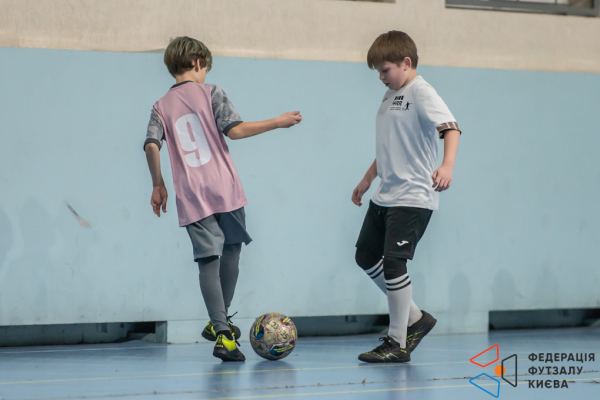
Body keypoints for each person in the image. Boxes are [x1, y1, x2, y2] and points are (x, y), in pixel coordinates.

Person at [143, 36, 302, 362]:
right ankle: (221, 324)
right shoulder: (211, 92)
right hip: (225, 189)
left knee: (208, 261)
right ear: (198, 63)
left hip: (192, 195)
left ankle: (221, 329)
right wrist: (278, 122)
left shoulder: (161, 106)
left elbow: (151, 144)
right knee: (231, 251)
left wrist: (158, 183)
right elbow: (235, 130)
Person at [352, 31, 461, 363]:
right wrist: (367, 179)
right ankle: (415, 317)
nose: (381, 77)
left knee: (394, 263)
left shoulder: (421, 91)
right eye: (378, 72)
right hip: (386, 194)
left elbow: (451, 128)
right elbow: (390, 146)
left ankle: (396, 342)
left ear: (406, 62)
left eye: (385, 70)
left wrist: (447, 165)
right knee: (365, 256)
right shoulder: (390, 95)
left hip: (413, 195)